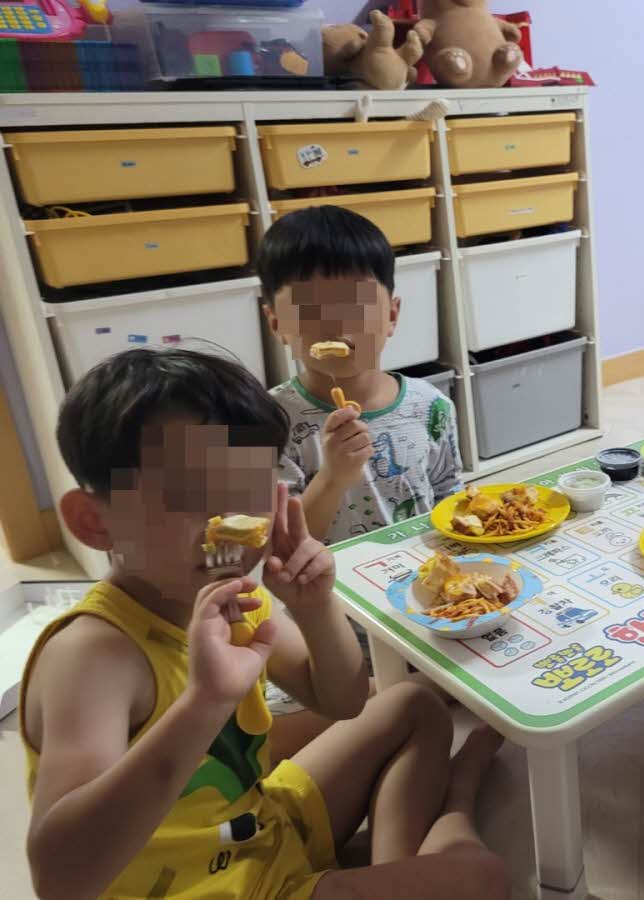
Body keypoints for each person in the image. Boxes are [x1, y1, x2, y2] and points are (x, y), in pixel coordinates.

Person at [21, 348, 507, 900]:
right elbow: (61, 880)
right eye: (188, 497)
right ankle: (457, 801)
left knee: (411, 702)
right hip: (207, 889)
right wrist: (204, 703)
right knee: (482, 878)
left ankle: (388, 866)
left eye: (247, 496)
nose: (227, 527)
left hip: (260, 830)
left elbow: (343, 700)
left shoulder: (229, 598)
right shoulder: (93, 654)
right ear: (93, 521)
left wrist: (314, 606)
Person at [257, 206, 465, 751]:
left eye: (358, 306)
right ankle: (403, 699)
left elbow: (450, 502)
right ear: (276, 323)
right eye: (310, 311)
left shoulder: (430, 406)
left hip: (421, 607)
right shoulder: (269, 421)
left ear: (391, 315)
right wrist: (333, 476)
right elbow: (284, 551)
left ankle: (412, 696)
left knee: (500, 674)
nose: (337, 327)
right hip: (329, 626)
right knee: (285, 736)